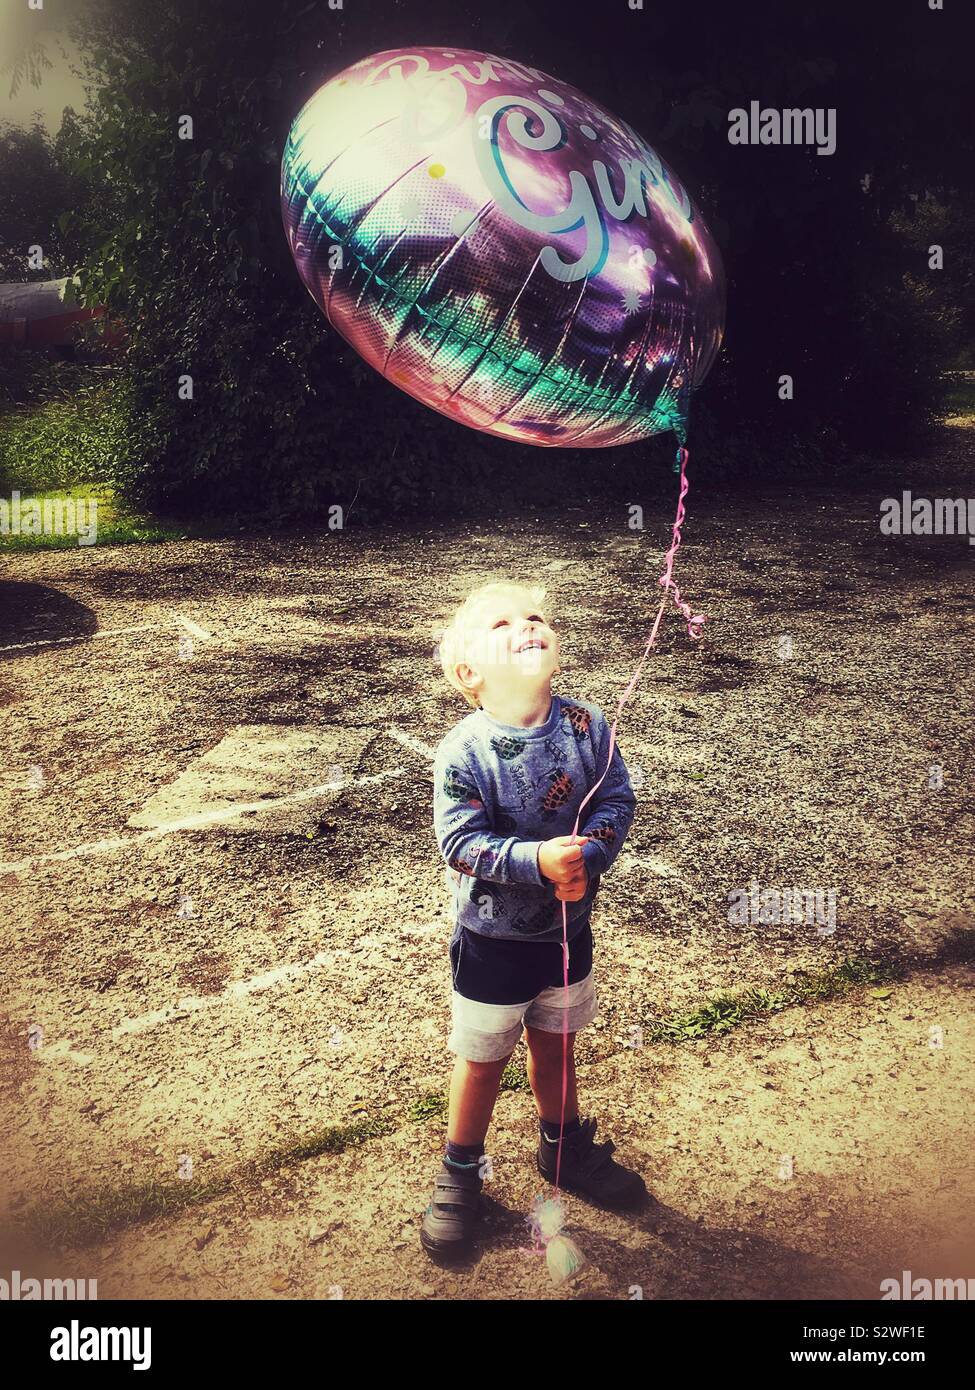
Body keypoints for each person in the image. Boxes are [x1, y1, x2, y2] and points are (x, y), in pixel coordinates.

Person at [421, 580, 648, 1258]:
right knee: (483, 1059)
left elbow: (616, 798)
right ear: (469, 673)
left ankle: (563, 1149)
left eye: (535, 616)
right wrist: (536, 861)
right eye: (501, 623)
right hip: (492, 943)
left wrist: (593, 851)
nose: (526, 625)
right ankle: (461, 1173)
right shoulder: (464, 752)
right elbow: (459, 845)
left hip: (566, 936)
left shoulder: (587, 726)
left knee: (556, 1044)